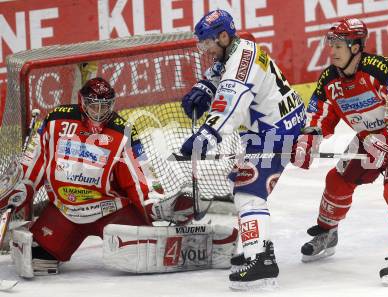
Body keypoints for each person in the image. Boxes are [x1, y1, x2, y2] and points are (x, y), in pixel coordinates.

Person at [1, 77, 194, 277]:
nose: (100, 112)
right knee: (38, 260)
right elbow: (34, 165)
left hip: (112, 211)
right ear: (82, 102)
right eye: (94, 106)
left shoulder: (123, 132)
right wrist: (17, 189)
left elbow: (140, 177)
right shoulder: (55, 121)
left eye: (105, 106)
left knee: (146, 255)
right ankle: (35, 231)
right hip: (64, 211)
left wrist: (157, 204)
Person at [291, 18, 388, 285]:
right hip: (369, 138)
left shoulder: (380, 69)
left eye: (339, 45)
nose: (332, 51)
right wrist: (309, 139)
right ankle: (327, 233)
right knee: (337, 180)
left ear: (356, 48)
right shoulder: (329, 79)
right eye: (330, 44)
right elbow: (319, 115)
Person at [179, 9, 306, 290]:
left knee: (248, 192)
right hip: (274, 125)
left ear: (224, 36)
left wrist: (205, 135)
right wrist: (203, 87)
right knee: (245, 186)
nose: (206, 49)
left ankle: (260, 261)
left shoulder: (241, 63)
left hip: (274, 132)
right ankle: (260, 248)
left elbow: (230, 106)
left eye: (209, 42)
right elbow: (220, 74)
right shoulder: (240, 48)